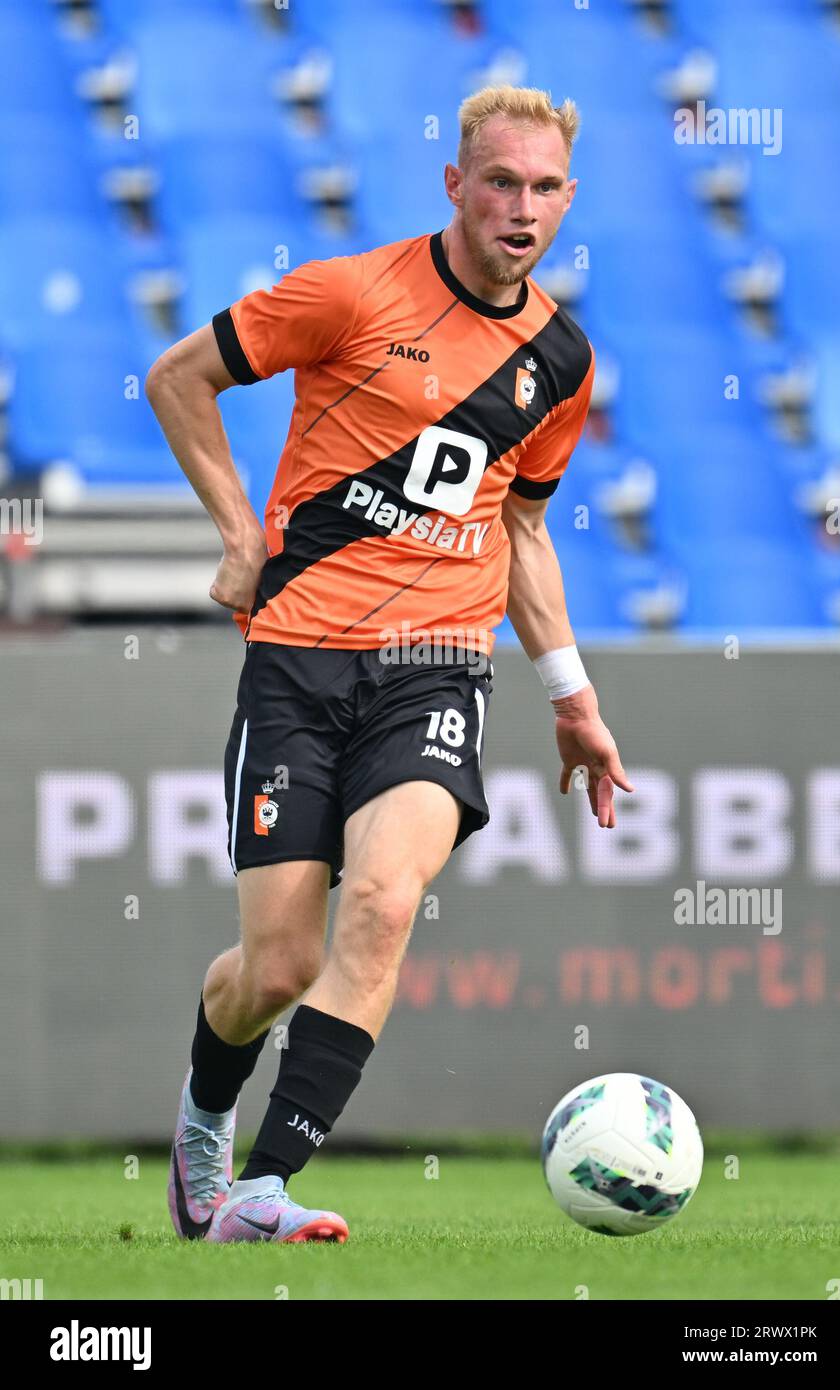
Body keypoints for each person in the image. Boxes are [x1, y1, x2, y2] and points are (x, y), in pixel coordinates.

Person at [145, 83, 633, 1245]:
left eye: (546, 186)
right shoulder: (352, 292)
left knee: (381, 900)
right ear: (455, 184)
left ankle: (259, 1192)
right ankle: (203, 1133)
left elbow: (520, 528)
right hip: (299, 661)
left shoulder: (561, 360)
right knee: (276, 964)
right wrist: (237, 536)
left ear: (569, 198)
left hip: (438, 668)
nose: (523, 206)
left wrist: (573, 698)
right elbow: (179, 377)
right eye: (501, 181)